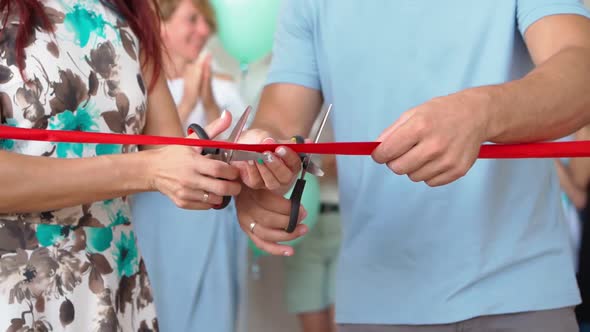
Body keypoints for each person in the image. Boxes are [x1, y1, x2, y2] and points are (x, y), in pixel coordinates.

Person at [232, 1, 590, 331]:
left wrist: (483, 112)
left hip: (521, 292)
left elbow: (581, 67)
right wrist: (258, 163)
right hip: (378, 302)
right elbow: (278, 123)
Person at [0, 0, 241, 331]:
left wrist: (247, 164)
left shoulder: (130, 14)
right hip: (18, 297)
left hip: (115, 287)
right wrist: (146, 170)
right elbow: (156, 165)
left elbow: (174, 153)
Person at [130, 1, 247, 331]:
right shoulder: (134, 88)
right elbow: (143, 153)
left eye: (206, 22)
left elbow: (235, 157)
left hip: (210, 224)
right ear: (162, 24)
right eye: (192, 20)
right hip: (154, 221)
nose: (203, 31)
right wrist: (186, 102)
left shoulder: (223, 86)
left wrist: (208, 101)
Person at [283, 114, 341, 332]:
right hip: (304, 225)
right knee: (310, 314)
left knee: (345, 316)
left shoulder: (353, 116)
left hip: (344, 221)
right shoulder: (296, 117)